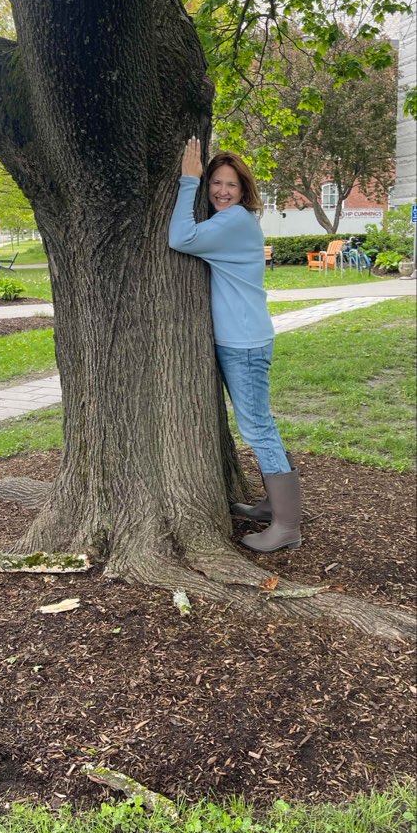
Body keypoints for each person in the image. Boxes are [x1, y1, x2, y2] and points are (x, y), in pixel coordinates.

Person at [168, 137, 301, 553]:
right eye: (215, 183)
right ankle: (272, 506)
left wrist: (188, 181)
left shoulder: (235, 221)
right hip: (244, 339)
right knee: (261, 425)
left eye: (232, 184)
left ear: (244, 191)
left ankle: (287, 526)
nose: (222, 191)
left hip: (244, 343)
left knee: (258, 427)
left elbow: (180, 238)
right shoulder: (232, 223)